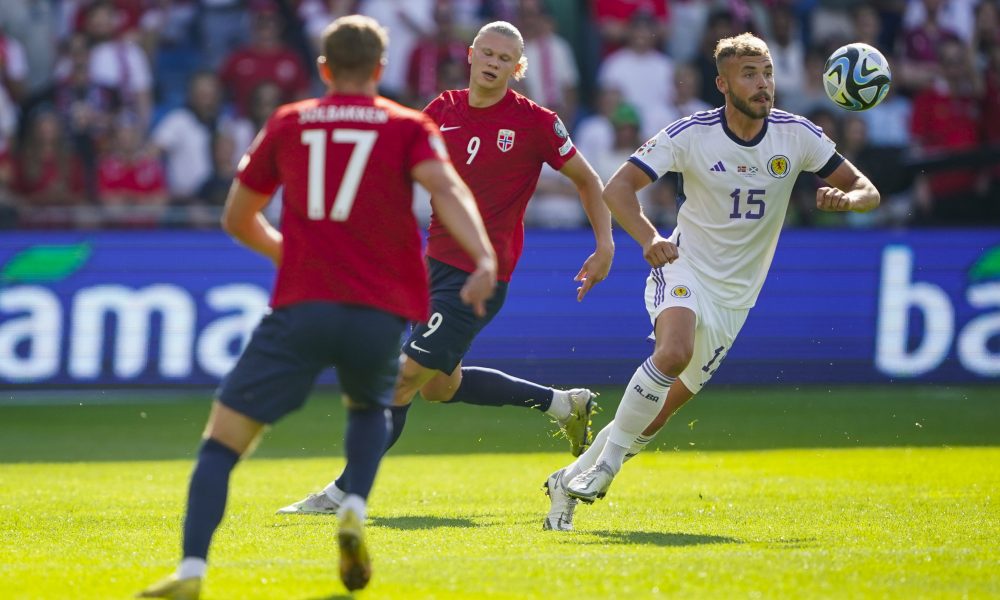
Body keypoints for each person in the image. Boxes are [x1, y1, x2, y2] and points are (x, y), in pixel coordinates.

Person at [137, 15, 497, 598]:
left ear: (323, 67)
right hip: (378, 310)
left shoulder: (290, 121)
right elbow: (448, 188)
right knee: (367, 408)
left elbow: (236, 217)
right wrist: (483, 259)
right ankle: (353, 505)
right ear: (381, 69)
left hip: (304, 302)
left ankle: (192, 571)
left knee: (222, 441)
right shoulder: (408, 125)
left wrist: (288, 254)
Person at [541, 33, 880, 532]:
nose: (763, 84)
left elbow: (868, 190)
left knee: (654, 418)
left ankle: (567, 480)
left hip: (736, 297)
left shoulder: (798, 135)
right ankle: (606, 468)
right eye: (749, 74)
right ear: (722, 83)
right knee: (672, 351)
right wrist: (649, 238)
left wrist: (848, 202)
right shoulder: (692, 133)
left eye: (766, 73)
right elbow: (618, 189)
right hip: (682, 264)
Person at [277, 20, 614, 516]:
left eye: (506, 58)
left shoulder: (536, 123)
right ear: (472, 55)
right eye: (488, 53)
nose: (495, 63)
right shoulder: (440, 111)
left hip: (480, 274)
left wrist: (604, 244)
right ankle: (563, 404)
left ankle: (342, 492)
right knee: (439, 387)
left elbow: (588, 180)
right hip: (432, 268)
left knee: (401, 379)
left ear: (517, 68)